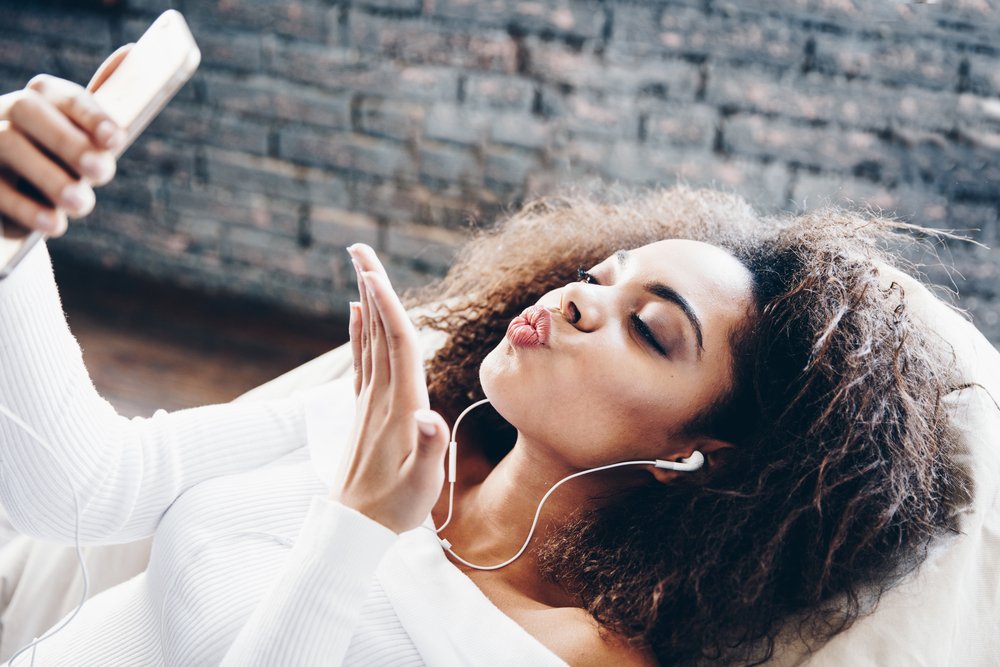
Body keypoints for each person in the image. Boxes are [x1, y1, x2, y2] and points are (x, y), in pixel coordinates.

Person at [0, 63, 975, 666]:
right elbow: (85, 495)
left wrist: (357, 526)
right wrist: (16, 232)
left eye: (650, 328)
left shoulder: (575, 653)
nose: (582, 299)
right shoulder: (394, 415)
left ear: (704, 453)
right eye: (601, 274)